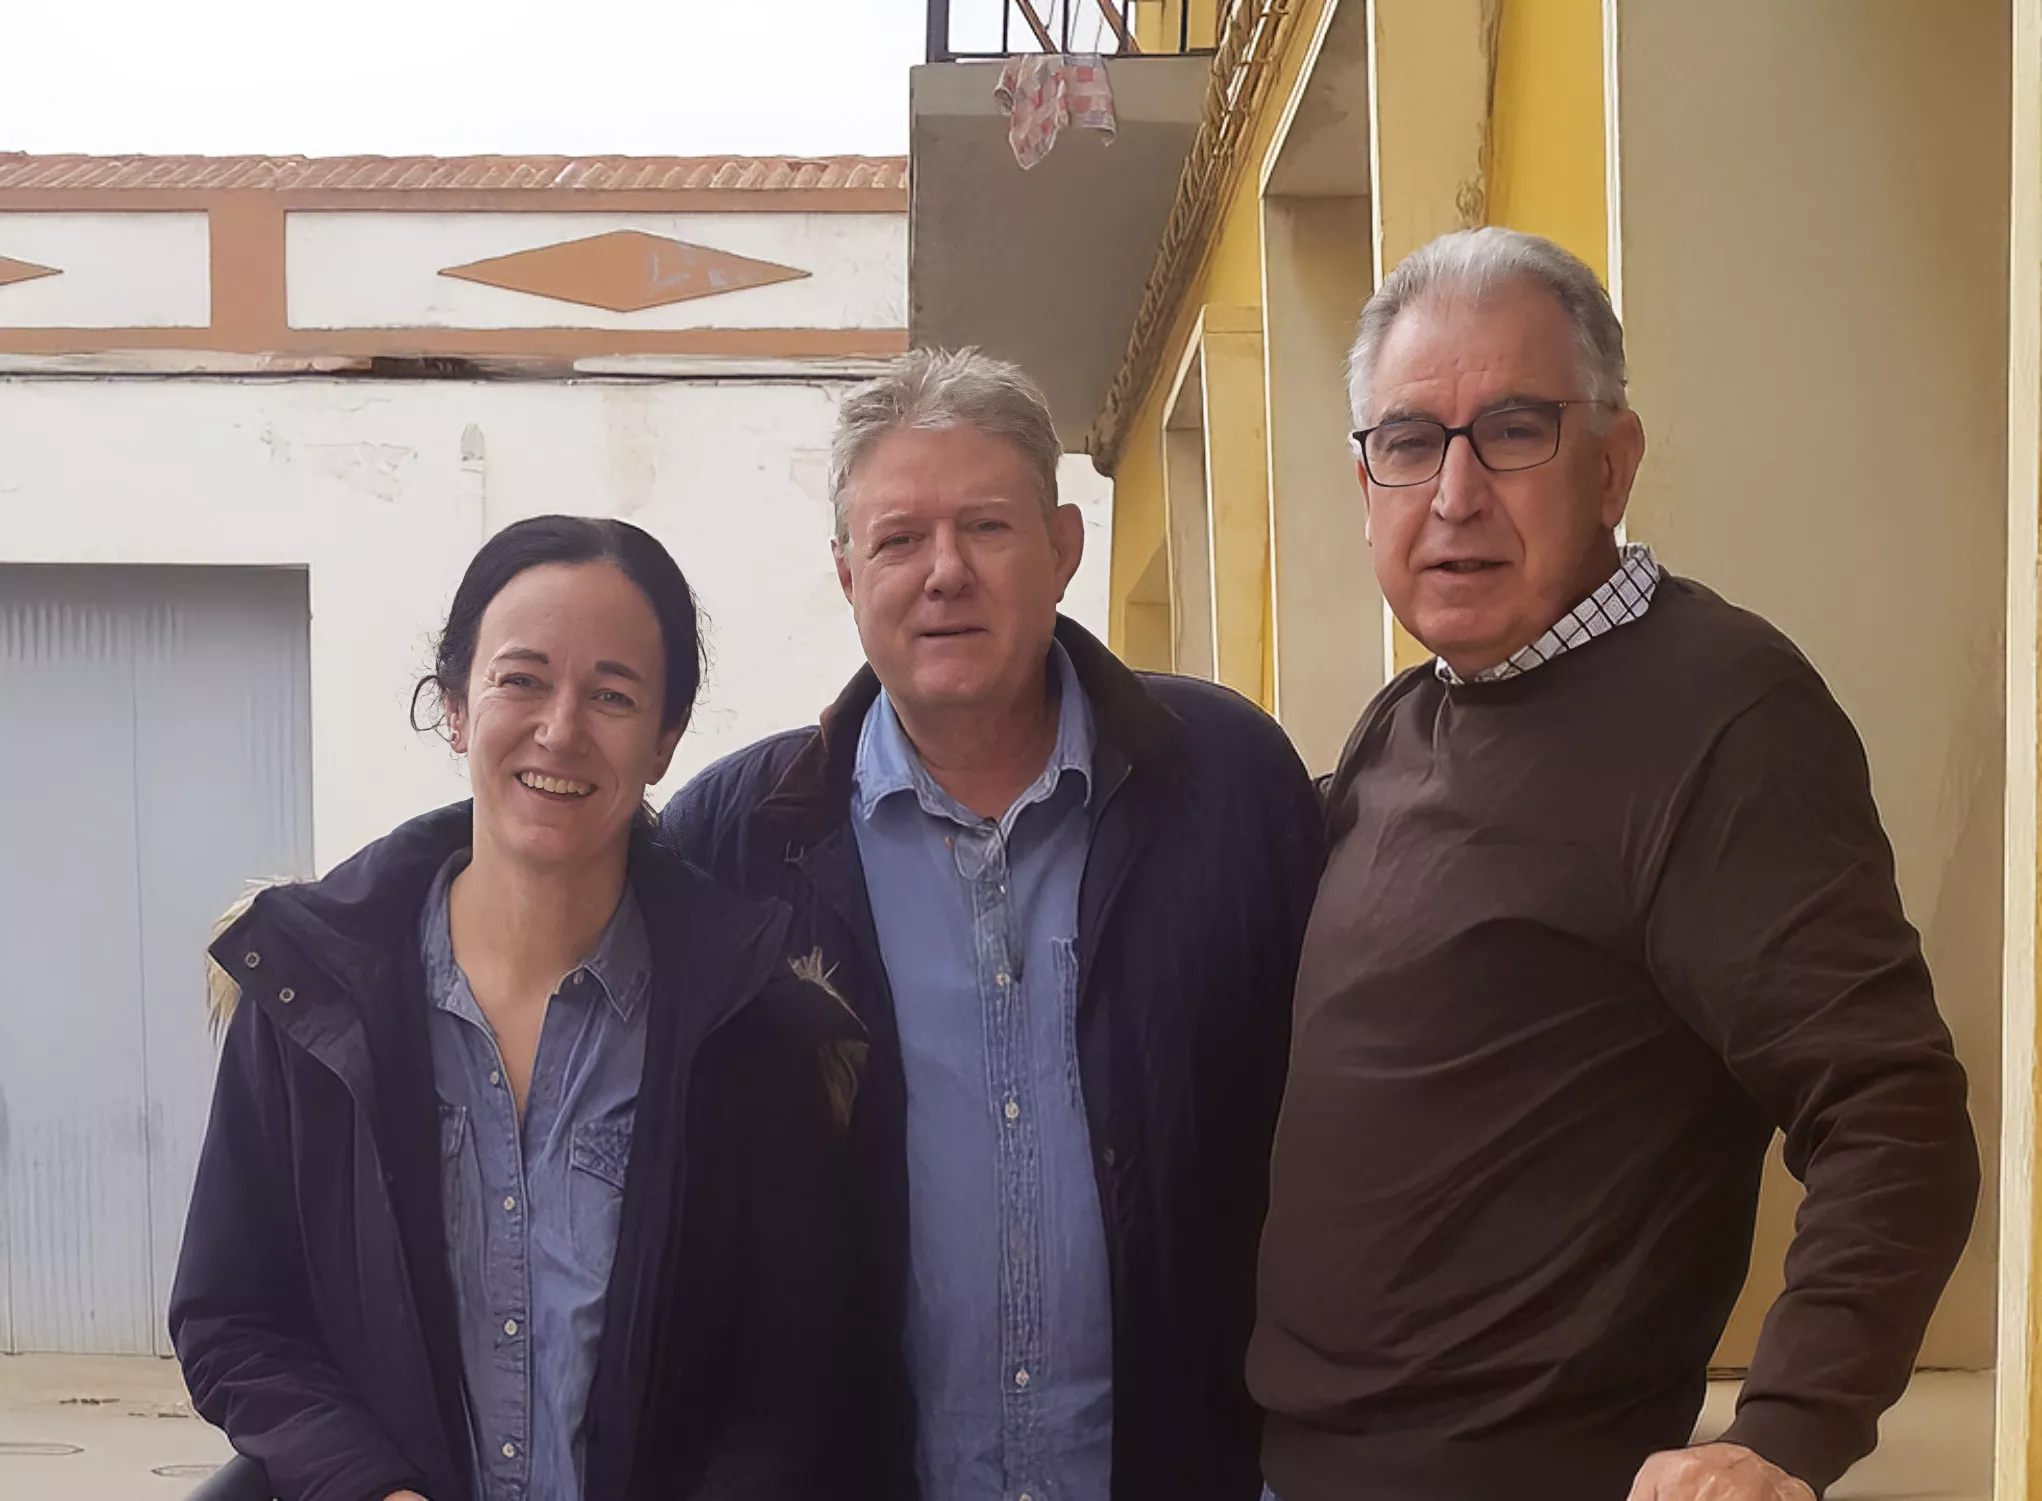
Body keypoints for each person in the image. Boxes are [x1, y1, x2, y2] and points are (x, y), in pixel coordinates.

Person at [1249, 227, 1981, 1501]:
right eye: (1409, 442)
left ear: (1612, 461)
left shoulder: (1719, 719)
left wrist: (1783, 1435)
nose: (1454, 493)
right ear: (1364, 480)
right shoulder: (1406, 721)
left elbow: (1890, 1108)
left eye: (1513, 431)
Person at [661, 348, 1324, 1501]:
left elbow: (1336, 1120)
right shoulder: (737, 840)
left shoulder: (1224, 783)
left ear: (1064, 548)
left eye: (986, 526)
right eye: (899, 538)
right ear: (844, 572)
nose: (944, 572)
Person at [171, 515, 866, 1501]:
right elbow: (231, 1317)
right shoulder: (307, 997)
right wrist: (370, 1487)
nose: (560, 728)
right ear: (455, 706)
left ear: (667, 739)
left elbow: (791, 1384)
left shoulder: (750, 1027)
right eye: (521, 679)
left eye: (613, 694)